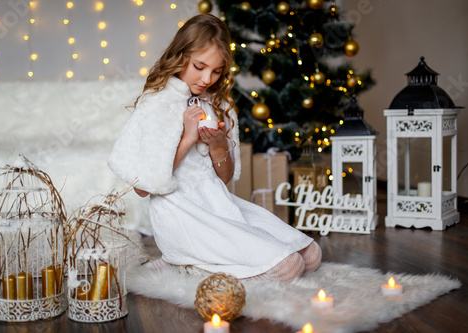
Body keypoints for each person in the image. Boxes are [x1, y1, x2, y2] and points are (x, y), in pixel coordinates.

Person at [108, 14, 321, 283]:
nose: (207, 78)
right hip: (181, 213)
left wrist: (218, 146)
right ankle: (186, 263)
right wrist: (186, 139)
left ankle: (201, 259)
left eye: (217, 71)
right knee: (289, 267)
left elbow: (224, 178)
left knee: (311, 255)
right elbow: (142, 187)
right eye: (199, 66)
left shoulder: (216, 103)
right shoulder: (157, 103)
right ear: (180, 55)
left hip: (218, 204)